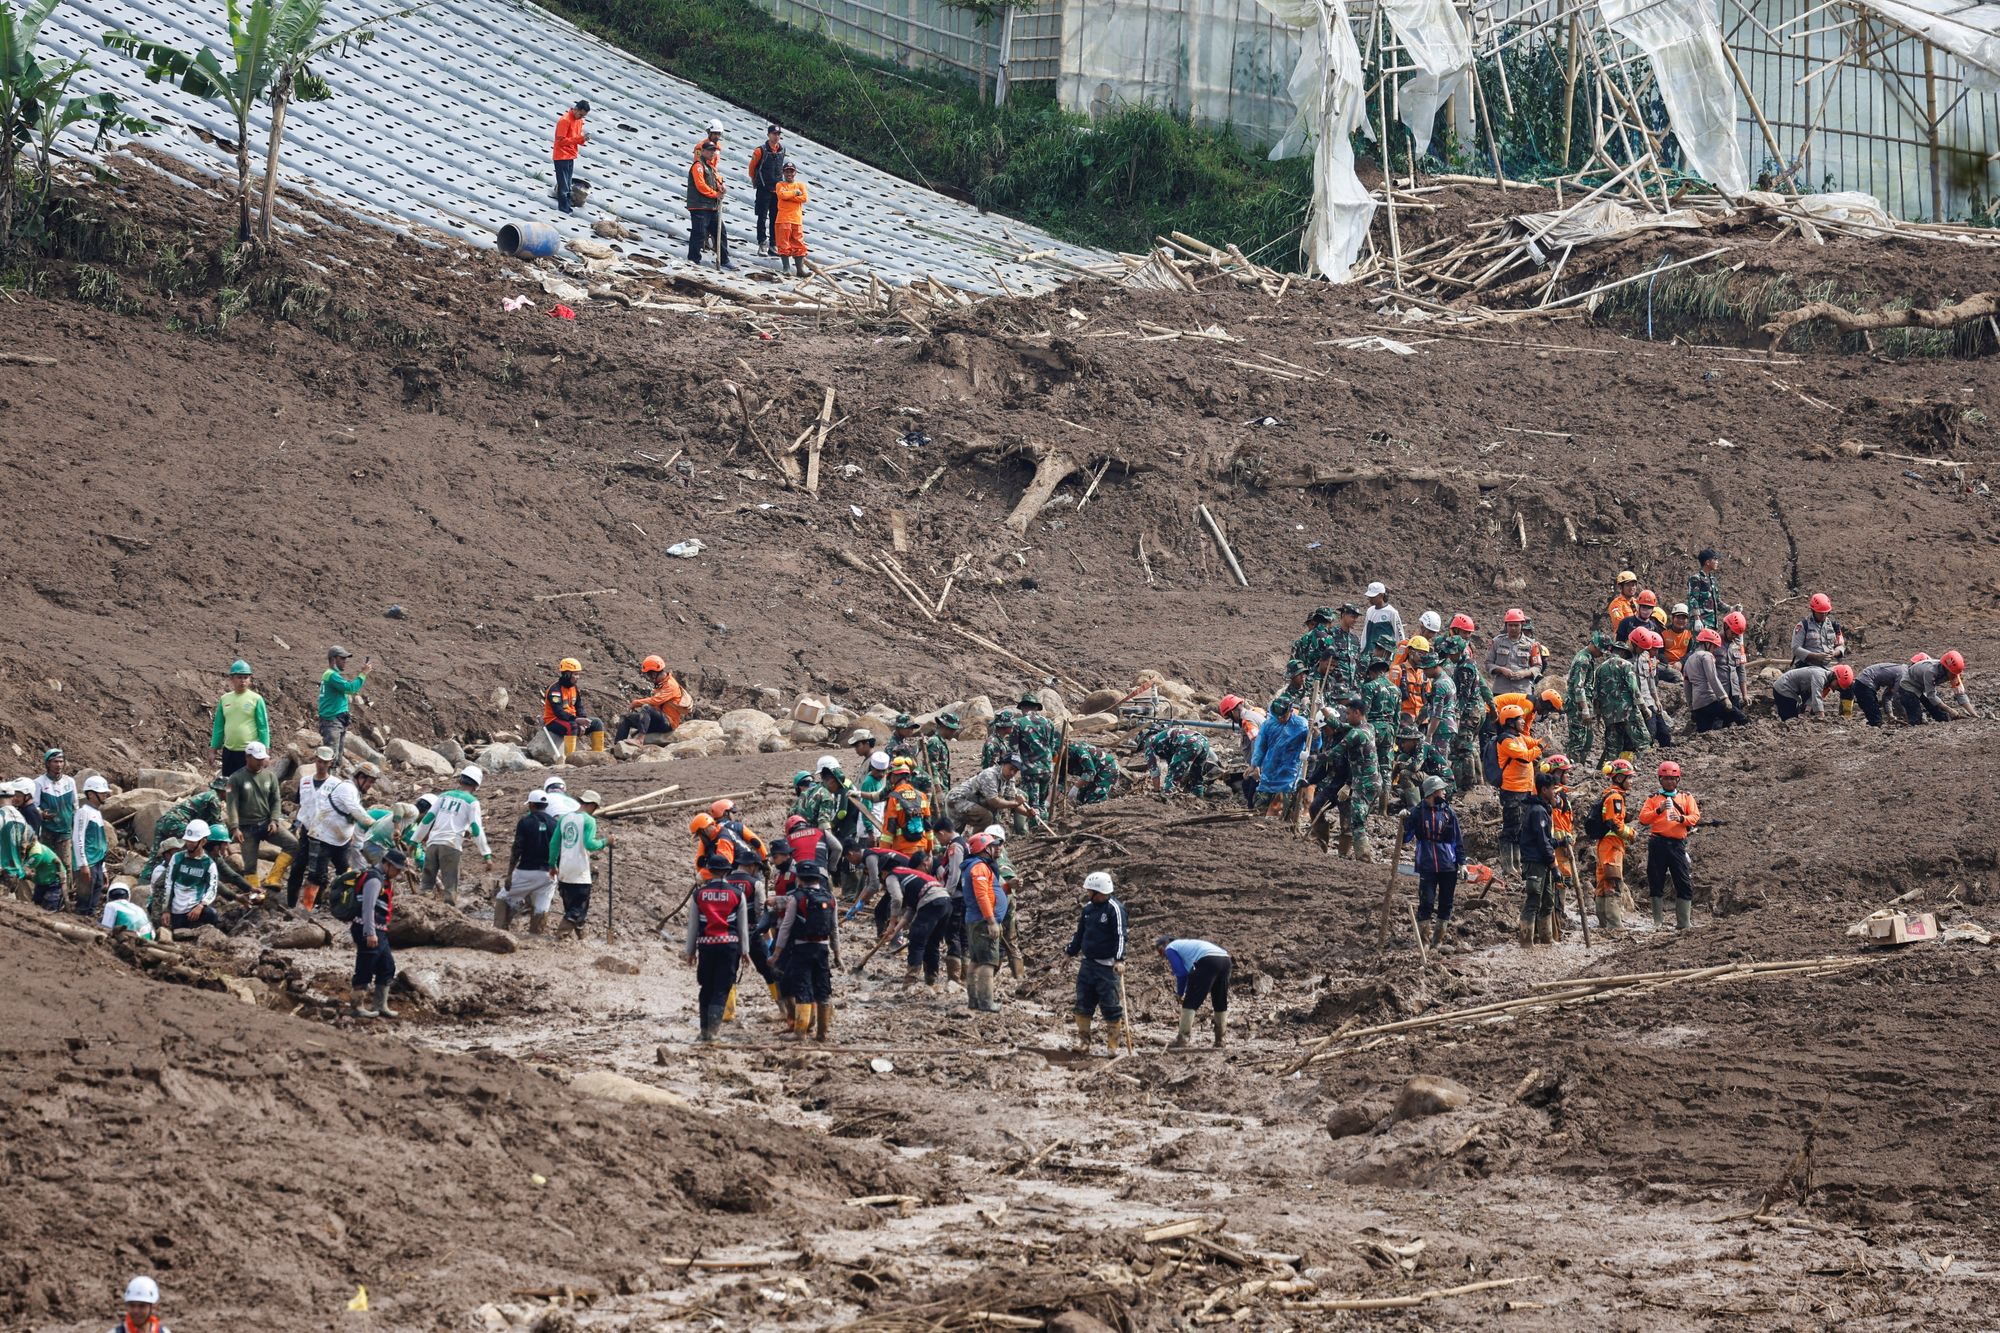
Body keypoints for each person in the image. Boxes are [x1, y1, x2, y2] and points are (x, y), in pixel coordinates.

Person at [771, 859, 840, 1040]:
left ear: (799, 879)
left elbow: (786, 926)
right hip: (822, 949)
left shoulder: (796, 897)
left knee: (803, 988)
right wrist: (837, 953)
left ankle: (800, 1032)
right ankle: (822, 1033)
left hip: (802, 948)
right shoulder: (830, 897)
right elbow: (834, 928)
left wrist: (777, 953)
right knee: (823, 990)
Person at [686, 853, 750, 1043]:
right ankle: (713, 1033)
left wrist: (690, 952)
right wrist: (745, 951)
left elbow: (693, 926)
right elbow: (742, 926)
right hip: (729, 947)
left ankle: (703, 1031)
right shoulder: (738, 895)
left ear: (709, 871)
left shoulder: (699, 895)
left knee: (706, 987)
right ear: (727, 871)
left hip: (706, 946)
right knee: (722, 989)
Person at [1065, 871, 1127, 1054]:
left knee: (1111, 1006)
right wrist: (1070, 952)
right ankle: (1084, 1042)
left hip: (1108, 968)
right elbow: (1080, 934)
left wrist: (1119, 959)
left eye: (1090, 891)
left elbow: (1121, 935)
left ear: (1099, 892)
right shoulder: (1088, 909)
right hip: (1088, 964)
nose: (1088, 894)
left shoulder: (1115, 909)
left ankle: (1113, 1045)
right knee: (1083, 1003)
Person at [305, 761, 379, 910]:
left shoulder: (355, 792)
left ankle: (343, 904)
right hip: (322, 837)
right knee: (317, 876)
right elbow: (356, 810)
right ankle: (308, 907)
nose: (370, 786)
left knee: (346, 871)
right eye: (369, 781)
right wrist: (374, 824)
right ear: (361, 777)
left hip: (339, 840)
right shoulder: (347, 788)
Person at [223, 741, 294, 891]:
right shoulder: (236, 778)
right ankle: (255, 894)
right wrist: (235, 828)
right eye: (257, 759)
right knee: (249, 866)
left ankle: (273, 878)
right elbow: (232, 805)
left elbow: (276, 801)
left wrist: (274, 820)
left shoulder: (270, 776)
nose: (261, 762)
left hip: (266, 824)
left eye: (263, 759)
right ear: (247, 757)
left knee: (293, 844)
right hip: (246, 828)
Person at [1638, 760, 1701, 929]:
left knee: (1683, 881)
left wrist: (1681, 819)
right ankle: (1658, 922)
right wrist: (1658, 810)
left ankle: (1683, 922)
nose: (1669, 782)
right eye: (1665, 779)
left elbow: (1695, 817)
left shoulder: (1686, 797)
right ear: (1660, 780)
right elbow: (1643, 819)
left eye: (1673, 779)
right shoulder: (1653, 798)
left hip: (1677, 845)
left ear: (1678, 780)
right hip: (1658, 843)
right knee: (1655, 880)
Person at [1402, 775, 1461, 949]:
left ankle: (1438, 940)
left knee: (1446, 903)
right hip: (1427, 864)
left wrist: (1462, 862)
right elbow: (1405, 837)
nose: (1444, 793)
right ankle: (1424, 942)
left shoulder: (1448, 813)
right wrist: (1404, 822)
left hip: (1448, 865)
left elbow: (1458, 840)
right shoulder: (1418, 812)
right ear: (1432, 793)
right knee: (1426, 901)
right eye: (1441, 790)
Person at [350, 848, 408, 1018]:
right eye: (396, 869)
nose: (398, 873)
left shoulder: (383, 878)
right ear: (387, 864)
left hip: (379, 930)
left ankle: (380, 1005)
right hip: (367, 928)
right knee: (365, 967)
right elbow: (367, 908)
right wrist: (370, 932)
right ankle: (357, 1006)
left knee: (387, 966)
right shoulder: (374, 880)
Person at [496, 788, 559, 933]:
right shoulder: (555, 824)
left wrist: (510, 873)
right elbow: (558, 849)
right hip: (548, 873)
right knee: (542, 907)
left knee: (503, 897)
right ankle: (535, 938)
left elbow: (517, 848)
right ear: (546, 806)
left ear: (531, 805)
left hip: (526, 871)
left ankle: (498, 931)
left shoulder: (525, 822)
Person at [550, 789, 609, 939]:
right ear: (592, 805)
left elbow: (554, 844)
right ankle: (560, 937)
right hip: (580, 870)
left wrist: (552, 864)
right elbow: (590, 844)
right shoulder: (589, 820)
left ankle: (581, 936)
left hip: (564, 869)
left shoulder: (564, 818)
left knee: (570, 906)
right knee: (578, 908)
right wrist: (606, 842)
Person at [961, 831, 1009, 1013]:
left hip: (975, 919)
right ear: (985, 848)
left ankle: (973, 1000)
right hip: (983, 921)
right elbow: (981, 895)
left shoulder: (972, 866)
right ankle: (986, 1002)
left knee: (975, 960)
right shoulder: (979, 867)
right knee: (988, 963)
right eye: (992, 845)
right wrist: (991, 921)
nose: (995, 848)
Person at [1156, 935, 1231, 1049]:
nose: (1164, 957)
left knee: (1190, 1002)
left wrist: (1180, 994)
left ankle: (1183, 1039)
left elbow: (1181, 974)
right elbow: (1190, 975)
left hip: (1208, 960)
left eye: (1161, 953)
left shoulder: (1170, 948)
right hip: (1225, 960)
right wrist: (1185, 990)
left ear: (1163, 946)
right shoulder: (1187, 947)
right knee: (1219, 1000)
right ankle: (1220, 1040)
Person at [1494, 704, 1542, 881]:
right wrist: (1541, 746)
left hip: (1525, 790)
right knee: (1511, 828)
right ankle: (1508, 866)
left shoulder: (1519, 737)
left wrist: (1542, 741)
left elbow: (1533, 743)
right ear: (1510, 722)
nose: (1523, 721)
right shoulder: (1506, 740)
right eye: (1520, 719)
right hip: (1512, 791)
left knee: (1521, 828)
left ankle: (1517, 864)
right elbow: (1525, 756)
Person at [1589, 758, 1636, 927]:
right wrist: (1630, 833)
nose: (1631, 781)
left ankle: (1603, 922)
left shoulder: (1607, 794)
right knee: (1613, 881)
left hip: (1604, 844)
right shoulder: (1616, 797)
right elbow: (1614, 823)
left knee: (1602, 883)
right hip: (1612, 844)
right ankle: (1615, 925)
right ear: (1618, 778)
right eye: (1628, 777)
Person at [1516, 766, 1560, 945]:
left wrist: (1559, 843)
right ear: (1544, 790)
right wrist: (1554, 865)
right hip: (1535, 861)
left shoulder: (1542, 809)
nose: (1554, 793)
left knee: (1548, 900)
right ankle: (1526, 941)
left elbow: (1546, 840)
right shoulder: (1537, 811)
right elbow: (1542, 842)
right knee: (1534, 900)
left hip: (1542, 861)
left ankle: (1546, 939)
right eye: (1552, 789)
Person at [151, 820, 221, 931]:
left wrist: (201, 905)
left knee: (212, 914)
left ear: (203, 842)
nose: (189, 844)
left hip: (195, 908)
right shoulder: (177, 858)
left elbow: (212, 888)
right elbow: (168, 883)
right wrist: (166, 910)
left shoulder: (209, 864)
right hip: (177, 909)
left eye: (193, 841)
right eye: (188, 841)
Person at [1249, 695, 1310, 822]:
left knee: (1287, 809)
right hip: (1270, 770)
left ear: (1291, 711)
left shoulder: (1301, 725)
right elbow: (1260, 746)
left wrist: (1314, 735)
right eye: (1278, 716)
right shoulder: (1268, 725)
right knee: (1260, 806)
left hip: (1290, 772)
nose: (1280, 719)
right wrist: (1255, 764)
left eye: (1283, 716)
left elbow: (1314, 744)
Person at [1591, 638, 1650, 764]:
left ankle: (1609, 771)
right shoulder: (1626, 665)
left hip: (1609, 714)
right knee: (1643, 740)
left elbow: (1595, 694)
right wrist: (1644, 708)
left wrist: (1597, 715)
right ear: (1623, 652)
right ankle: (1646, 767)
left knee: (1613, 748)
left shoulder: (1600, 669)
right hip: (1628, 711)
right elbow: (1634, 689)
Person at [1336, 700, 1382, 860]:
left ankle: (1364, 856)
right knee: (1359, 819)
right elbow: (1340, 726)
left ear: (1357, 712)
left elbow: (1334, 753)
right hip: (1376, 783)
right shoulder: (1369, 728)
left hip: (1363, 783)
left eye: (1348, 713)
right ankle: (1361, 854)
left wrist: (1311, 757)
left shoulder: (1356, 734)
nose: (1347, 717)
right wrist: (1323, 710)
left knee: (1357, 822)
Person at [209, 660, 269, 775]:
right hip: (229, 752)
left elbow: (263, 728)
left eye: (246, 677)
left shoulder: (256, 699)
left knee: (247, 787)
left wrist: (265, 753)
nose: (243, 681)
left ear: (250, 679)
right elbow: (219, 727)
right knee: (229, 786)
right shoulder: (225, 699)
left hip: (250, 753)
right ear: (232, 678)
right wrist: (213, 750)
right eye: (239, 677)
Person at [614, 654, 688, 745]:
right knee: (626, 717)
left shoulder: (670, 685)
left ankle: (640, 740)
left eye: (649, 675)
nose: (649, 678)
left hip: (668, 723)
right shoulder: (661, 684)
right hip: (657, 720)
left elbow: (656, 700)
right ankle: (617, 745)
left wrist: (636, 702)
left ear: (654, 674)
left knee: (646, 708)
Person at [1011, 691, 1060, 821]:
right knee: (1042, 804)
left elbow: (1013, 749)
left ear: (1023, 707)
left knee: (1033, 805)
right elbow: (1053, 747)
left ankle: (1035, 831)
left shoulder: (1018, 723)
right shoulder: (1048, 723)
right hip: (1047, 768)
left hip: (1030, 769)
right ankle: (1045, 824)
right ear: (1036, 708)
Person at [543, 658, 605, 757]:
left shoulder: (574, 688)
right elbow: (559, 712)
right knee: (571, 726)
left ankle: (599, 756)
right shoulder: (555, 690)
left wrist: (583, 720)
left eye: (578, 674)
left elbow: (579, 706)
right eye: (575, 674)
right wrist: (577, 720)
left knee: (597, 723)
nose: (578, 677)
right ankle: (570, 759)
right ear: (567, 674)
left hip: (572, 719)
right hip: (553, 720)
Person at [948, 753, 1028, 829]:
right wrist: (1016, 802)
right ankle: (979, 842)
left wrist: (1027, 812)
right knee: (986, 817)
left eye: (1015, 771)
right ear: (1003, 764)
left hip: (974, 800)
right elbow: (994, 802)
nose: (1012, 773)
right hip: (958, 799)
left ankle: (980, 840)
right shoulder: (990, 775)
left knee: (990, 820)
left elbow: (1011, 800)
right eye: (1011, 768)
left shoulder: (1009, 779)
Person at [70, 774, 112, 916]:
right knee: (84, 898)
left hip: (98, 862)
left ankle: (89, 921)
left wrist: (104, 868)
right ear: (91, 794)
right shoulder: (83, 812)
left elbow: (101, 841)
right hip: (89, 862)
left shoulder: (97, 813)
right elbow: (77, 838)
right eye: (102, 792)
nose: (105, 795)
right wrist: (83, 864)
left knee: (96, 892)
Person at [317, 646, 369, 756]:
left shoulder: (333, 675)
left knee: (336, 756)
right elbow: (350, 688)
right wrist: (363, 674)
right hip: (332, 721)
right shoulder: (331, 675)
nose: (345, 661)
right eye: (342, 658)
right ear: (333, 659)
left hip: (337, 720)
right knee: (331, 757)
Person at [686, 139, 730, 268]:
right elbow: (701, 186)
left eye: (714, 151)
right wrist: (715, 194)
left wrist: (721, 186)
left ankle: (724, 259)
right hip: (699, 205)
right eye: (710, 151)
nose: (712, 153)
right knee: (699, 232)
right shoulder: (698, 166)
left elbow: (718, 180)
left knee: (720, 233)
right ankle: (693, 259)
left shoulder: (711, 168)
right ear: (703, 151)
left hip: (712, 206)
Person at [32, 749, 75, 880]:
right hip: (47, 830)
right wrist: (41, 814)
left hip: (65, 830)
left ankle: (67, 893)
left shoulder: (69, 781)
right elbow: (34, 805)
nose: (59, 765)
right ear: (48, 764)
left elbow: (75, 805)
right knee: (48, 862)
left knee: (66, 864)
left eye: (61, 761)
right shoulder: (39, 782)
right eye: (55, 761)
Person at [746, 123, 787, 255]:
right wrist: (754, 180)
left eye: (778, 134)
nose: (776, 137)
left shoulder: (782, 149)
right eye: (774, 134)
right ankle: (762, 242)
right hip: (764, 188)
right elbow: (752, 167)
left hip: (777, 189)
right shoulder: (760, 151)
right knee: (762, 217)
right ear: (768, 135)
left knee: (775, 218)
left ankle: (773, 244)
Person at [1486, 608, 1543, 689]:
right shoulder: (1497, 642)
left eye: (1516, 625)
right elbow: (1488, 663)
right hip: (1500, 689)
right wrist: (1501, 669)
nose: (1513, 628)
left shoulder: (1532, 644)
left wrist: (1524, 673)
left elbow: (1538, 666)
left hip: (1523, 690)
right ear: (1506, 625)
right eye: (1510, 625)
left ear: (1522, 625)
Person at [772, 161, 809, 276]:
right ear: (783, 172)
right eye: (787, 171)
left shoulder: (801, 185)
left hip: (796, 220)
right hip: (783, 219)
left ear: (795, 173)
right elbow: (782, 195)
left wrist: (790, 195)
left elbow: (804, 198)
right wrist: (794, 193)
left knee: (799, 244)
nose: (789, 174)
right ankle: (786, 268)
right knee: (783, 244)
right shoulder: (780, 185)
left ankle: (800, 270)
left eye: (791, 171)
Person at [552, 99, 589, 213]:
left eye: (583, 116)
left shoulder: (578, 121)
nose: (581, 117)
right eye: (580, 114)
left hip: (570, 154)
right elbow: (561, 141)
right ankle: (563, 208)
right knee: (563, 185)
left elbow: (576, 137)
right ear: (575, 109)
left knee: (568, 183)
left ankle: (567, 206)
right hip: (561, 155)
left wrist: (582, 139)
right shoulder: (565, 120)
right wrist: (579, 139)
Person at [1791, 593, 1846, 667]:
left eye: (1825, 612)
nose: (1823, 615)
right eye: (1820, 613)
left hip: (1827, 667)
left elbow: (1841, 645)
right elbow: (1796, 648)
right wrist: (1815, 656)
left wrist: (1835, 652)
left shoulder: (1834, 625)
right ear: (1813, 611)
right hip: (1807, 667)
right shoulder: (1803, 626)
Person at [1771, 663, 1842, 720]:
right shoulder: (1820, 677)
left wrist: (1807, 711)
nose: (1837, 688)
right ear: (1834, 676)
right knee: (1791, 719)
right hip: (1783, 689)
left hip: (1787, 689)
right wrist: (1822, 718)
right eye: (1838, 684)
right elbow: (1816, 697)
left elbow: (1812, 696)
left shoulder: (1825, 681)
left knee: (1799, 713)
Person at [1061, 738, 1120, 806]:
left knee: (1093, 800)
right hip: (1093, 776)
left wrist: (1075, 787)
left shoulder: (1078, 751)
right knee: (1081, 798)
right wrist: (1048, 803)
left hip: (1107, 769)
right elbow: (1059, 782)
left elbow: (1090, 772)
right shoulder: (1060, 760)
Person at [1717, 610, 1751, 714]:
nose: (1735, 636)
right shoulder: (1714, 643)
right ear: (1726, 626)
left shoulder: (1738, 646)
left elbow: (1741, 671)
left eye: (1737, 634)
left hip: (1734, 691)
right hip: (1719, 693)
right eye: (1733, 633)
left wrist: (1744, 694)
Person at [1362, 581, 1403, 661]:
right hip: (1368, 653)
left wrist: (1400, 656)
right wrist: (1362, 649)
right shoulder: (1370, 611)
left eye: (1373, 597)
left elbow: (1399, 635)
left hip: (1383, 655)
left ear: (1381, 595)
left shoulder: (1391, 613)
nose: (1370, 599)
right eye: (1369, 597)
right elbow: (1365, 632)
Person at [1687, 548, 1725, 630]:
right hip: (1701, 624)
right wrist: (1697, 619)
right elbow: (1693, 599)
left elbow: (1717, 602)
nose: (1717, 562)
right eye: (1715, 559)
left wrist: (1731, 608)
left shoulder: (1712, 580)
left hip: (1712, 625)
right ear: (1707, 562)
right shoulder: (1696, 578)